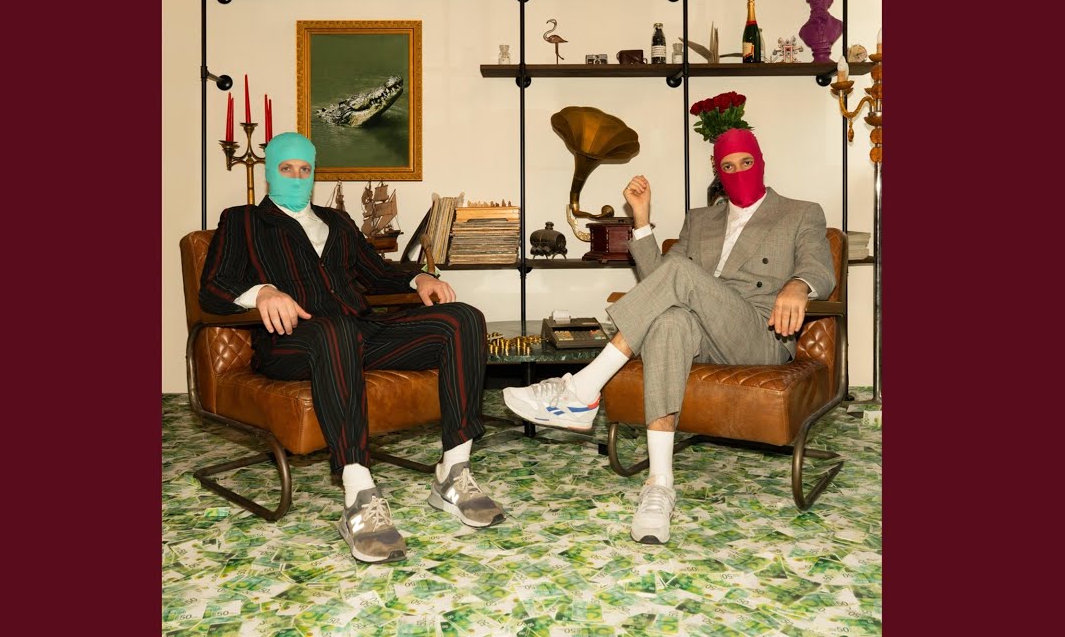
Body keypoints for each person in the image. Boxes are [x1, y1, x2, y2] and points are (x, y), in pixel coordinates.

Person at [504, 128, 834, 544]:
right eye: (727, 166)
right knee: (669, 321)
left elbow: (820, 267)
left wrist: (799, 285)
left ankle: (583, 388)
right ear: (717, 172)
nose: (738, 172)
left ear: (761, 161)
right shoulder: (701, 219)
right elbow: (658, 281)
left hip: (758, 332)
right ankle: (659, 484)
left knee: (680, 276)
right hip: (700, 331)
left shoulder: (799, 213)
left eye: (746, 163)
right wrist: (641, 221)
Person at [199, 132, 503, 564]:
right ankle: (359, 494)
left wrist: (418, 277)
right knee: (335, 330)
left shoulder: (337, 222)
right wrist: (261, 292)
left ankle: (453, 473)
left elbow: (376, 273)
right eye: (287, 168)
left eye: (305, 169)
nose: (297, 177)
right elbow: (212, 288)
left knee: (463, 318)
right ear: (270, 172)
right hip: (292, 342)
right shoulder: (242, 221)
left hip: (359, 332)